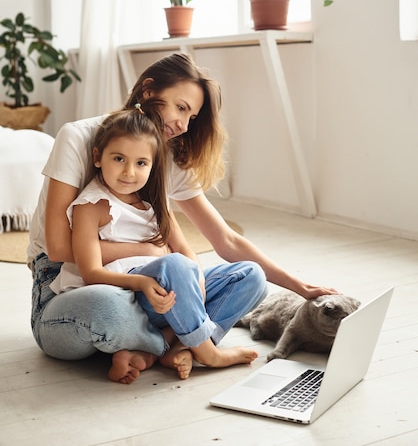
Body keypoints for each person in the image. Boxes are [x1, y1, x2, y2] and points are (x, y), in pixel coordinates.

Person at [28, 52, 336, 384]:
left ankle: (163, 345)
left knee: (251, 277)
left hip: (149, 286)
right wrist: (150, 253)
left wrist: (300, 286)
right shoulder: (79, 138)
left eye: (191, 116)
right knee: (107, 307)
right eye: (181, 107)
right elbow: (59, 248)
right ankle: (189, 344)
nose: (183, 125)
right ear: (148, 91)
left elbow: (225, 240)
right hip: (67, 283)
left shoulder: (166, 155)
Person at [50, 107, 258, 379]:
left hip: (169, 293)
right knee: (174, 265)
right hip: (131, 295)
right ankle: (208, 352)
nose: (129, 172)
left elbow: (185, 250)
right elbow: (90, 272)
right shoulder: (92, 205)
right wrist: (142, 282)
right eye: (119, 158)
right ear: (98, 157)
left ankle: (174, 346)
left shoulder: (154, 202)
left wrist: (198, 283)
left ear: (152, 164)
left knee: (251, 275)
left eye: (141, 163)